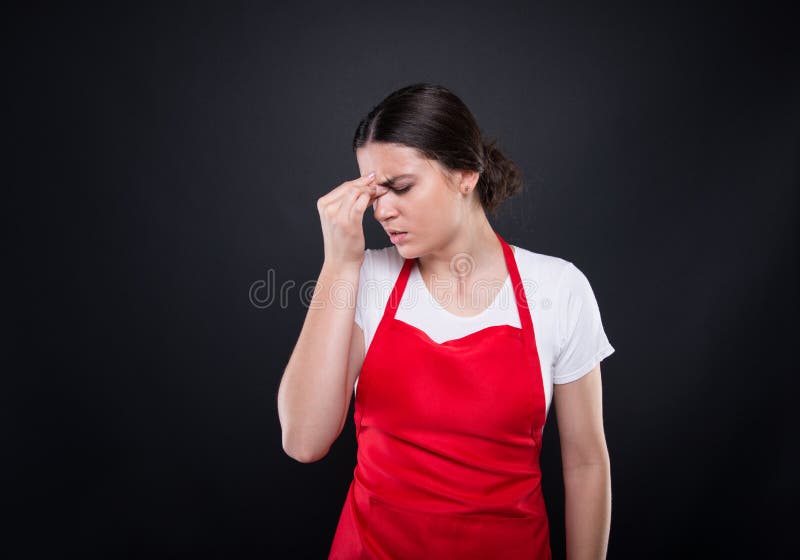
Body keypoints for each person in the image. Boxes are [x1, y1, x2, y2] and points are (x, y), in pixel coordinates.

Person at [277, 83, 615, 559]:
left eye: (401, 187)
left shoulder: (558, 288)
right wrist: (338, 264)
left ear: (465, 174)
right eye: (374, 193)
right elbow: (303, 441)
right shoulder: (365, 276)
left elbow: (584, 464)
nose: (383, 210)